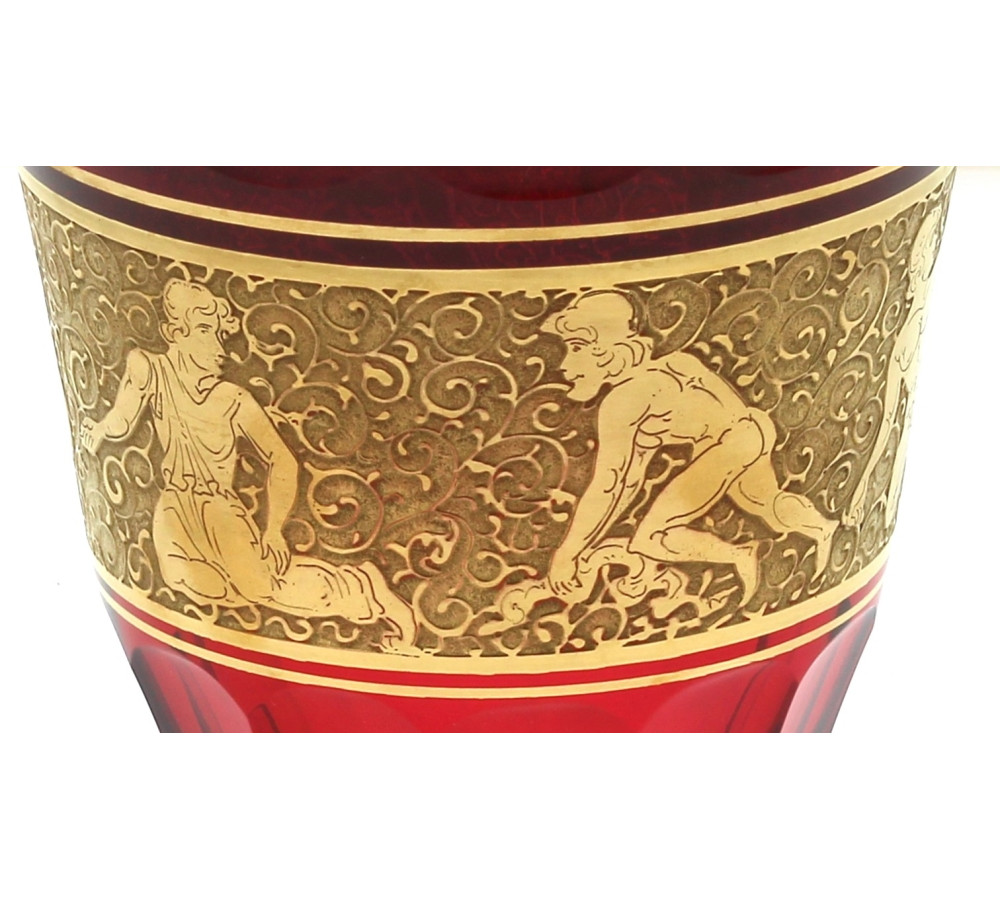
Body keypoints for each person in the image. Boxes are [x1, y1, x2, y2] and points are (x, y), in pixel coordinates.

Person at [79, 279, 417, 653]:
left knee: (263, 590)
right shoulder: (151, 370)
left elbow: (281, 459)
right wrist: (100, 430)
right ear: (175, 333)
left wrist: (273, 531)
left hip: (219, 510)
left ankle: (365, 588)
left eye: (219, 333)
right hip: (173, 504)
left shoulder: (232, 399)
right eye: (204, 330)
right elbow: (124, 418)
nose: (218, 346)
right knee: (186, 580)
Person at [542, 291, 837, 603]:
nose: (564, 364)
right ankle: (823, 528)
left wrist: (567, 553)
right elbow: (628, 480)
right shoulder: (677, 363)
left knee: (653, 537)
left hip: (728, 445)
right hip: (753, 429)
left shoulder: (624, 401)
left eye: (577, 347)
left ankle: (739, 555)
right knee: (769, 506)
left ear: (607, 349)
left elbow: (610, 485)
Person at [846, 207, 942, 528]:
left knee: (890, 426)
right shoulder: (905, 336)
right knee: (888, 426)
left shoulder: (909, 326)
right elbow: (887, 422)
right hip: (903, 345)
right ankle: (866, 499)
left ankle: (869, 502)